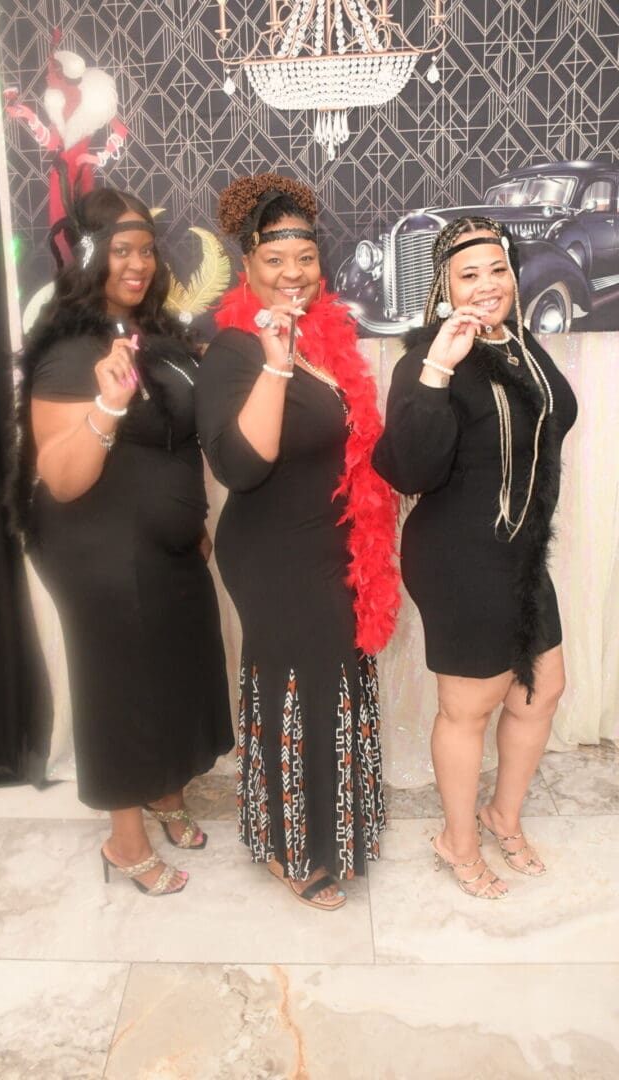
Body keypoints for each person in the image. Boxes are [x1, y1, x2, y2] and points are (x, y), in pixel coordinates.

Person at [14, 187, 233, 896]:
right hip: (95, 548)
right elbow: (65, 478)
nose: (137, 262)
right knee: (121, 685)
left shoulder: (155, 335)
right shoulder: (70, 348)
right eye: (120, 249)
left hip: (164, 544)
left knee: (174, 664)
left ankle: (166, 792)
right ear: (86, 256)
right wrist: (108, 405)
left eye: (144, 248)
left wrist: (190, 523)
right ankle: (125, 839)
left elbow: (171, 441)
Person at [195, 173, 400, 910]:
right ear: (246, 263)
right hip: (275, 557)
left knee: (334, 685)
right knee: (299, 691)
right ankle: (293, 847)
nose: (292, 274)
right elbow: (242, 467)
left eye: (305, 258)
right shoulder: (235, 351)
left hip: (331, 549)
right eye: (275, 260)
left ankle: (336, 824)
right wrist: (275, 362)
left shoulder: (324, 341)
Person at [372, 216, 577, 898]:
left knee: (543, 688)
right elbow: (410, 469)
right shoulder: (427, 359)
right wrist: (438, 368)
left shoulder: (522, 347)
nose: (488, 284)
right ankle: (457, 839)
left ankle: (502, 816)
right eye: (469, 273)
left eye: (498, 269)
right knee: (470, 708)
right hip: (458, 554)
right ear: (442, 286)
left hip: (521, 552)